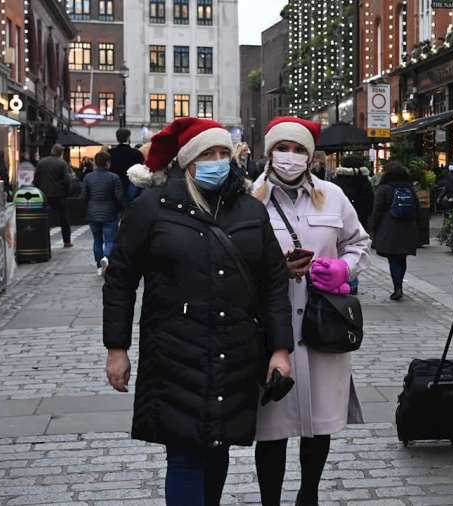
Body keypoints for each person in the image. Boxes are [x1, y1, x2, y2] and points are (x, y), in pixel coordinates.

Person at [102, 117, 294, 506]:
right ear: (188, 160)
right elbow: (121, 278)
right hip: (175, 351)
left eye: (224, 153)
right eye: (208, 153)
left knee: (217, 448)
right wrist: (116, 347)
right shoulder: (152, 208)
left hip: (235, 349)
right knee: (186, 454)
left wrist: (279, 348)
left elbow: (273, 282)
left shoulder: (249, 211)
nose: (218, 161)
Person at [251, 116, 371, 506]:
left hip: (323, 326)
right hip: (273, 330)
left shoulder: (333, 196)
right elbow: (231, 259)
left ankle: (309, 495)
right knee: (271, 426)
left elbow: (359, 243)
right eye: (282, 148)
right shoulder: (249, 200)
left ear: (310, 155)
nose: (290, 156)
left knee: (319, 424)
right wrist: (273, 269)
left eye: (298, 149)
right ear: (269, 153)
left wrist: (343, 268)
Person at [371, 161, 419, 301]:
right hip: (408, 227)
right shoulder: (409, 188)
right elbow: (417, 209)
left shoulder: (384, 189)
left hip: (389, 227)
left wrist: (373, 227)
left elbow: (377, 210)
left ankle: (397, 287)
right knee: (402, 257)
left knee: (393, 258)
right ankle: (399, 285)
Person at [331, 154, 374, 295]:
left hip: (339, 221)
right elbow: (370, 203)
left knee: (340, 249)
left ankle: (343, 278)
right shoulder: (365, 182)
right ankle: (353, 281)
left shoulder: (337, 182)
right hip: (360, 219)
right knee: (355, 249)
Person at [82, 151, 127, 276]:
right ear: (107, 163)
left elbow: (84, 196)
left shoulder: (88, 177)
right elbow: (119, 197)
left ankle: (98, 266)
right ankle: (106, 257)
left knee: (97, 240)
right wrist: (124, 207)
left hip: (92, 213)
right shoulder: (114, 177)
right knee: (110, 239)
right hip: (110, 213)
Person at [32, 144, 73, 247]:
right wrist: (67, 192)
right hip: (59, 194)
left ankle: (43, 240)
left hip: (44, 194)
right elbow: (67, 180)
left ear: (52, 150)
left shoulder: (42, 162)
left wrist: (39, 189)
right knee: (64, 217)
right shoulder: (62, 164)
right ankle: (67, 241)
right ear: (61, 153)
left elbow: (36, 179)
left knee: (45, 217)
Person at [109, 128, 146, 203]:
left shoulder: (110, 153)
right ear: (129, 137)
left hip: (114, 189)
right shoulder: (136, 154)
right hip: (133, 188)